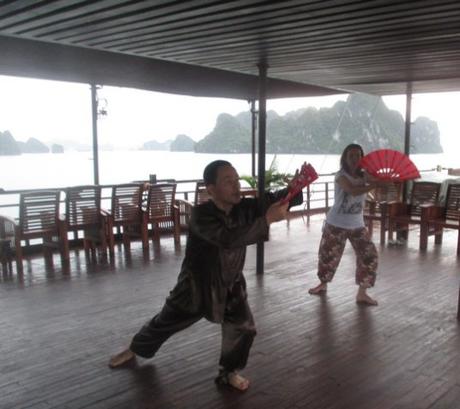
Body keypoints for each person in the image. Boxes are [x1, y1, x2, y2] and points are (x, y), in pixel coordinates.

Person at [109, 160, 303, 391]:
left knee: (244, 328)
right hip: (197, 284)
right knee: (167, 320)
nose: (236, 185)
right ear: (211, 189)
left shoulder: (245, 207)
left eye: (237, 179)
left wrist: (294, 189)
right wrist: (268, 220)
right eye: (228, 181)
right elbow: (228, 238)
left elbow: (276, 200)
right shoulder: (201, 215)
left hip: (231, 282)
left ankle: (228, 372)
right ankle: (135, 347)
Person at [308, 143, 385, 306]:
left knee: (369, 256)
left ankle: (362, 293)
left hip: (357, 224)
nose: (355, 159)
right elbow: (352, 190)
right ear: (345, 158)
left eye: (358, 155)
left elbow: (376, 190)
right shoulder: (340, 176)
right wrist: (373, 184)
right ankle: (322, 284)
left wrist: (381, 183)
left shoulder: (365, 175)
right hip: (336, 223)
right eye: (351, 156)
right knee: (328, 256)